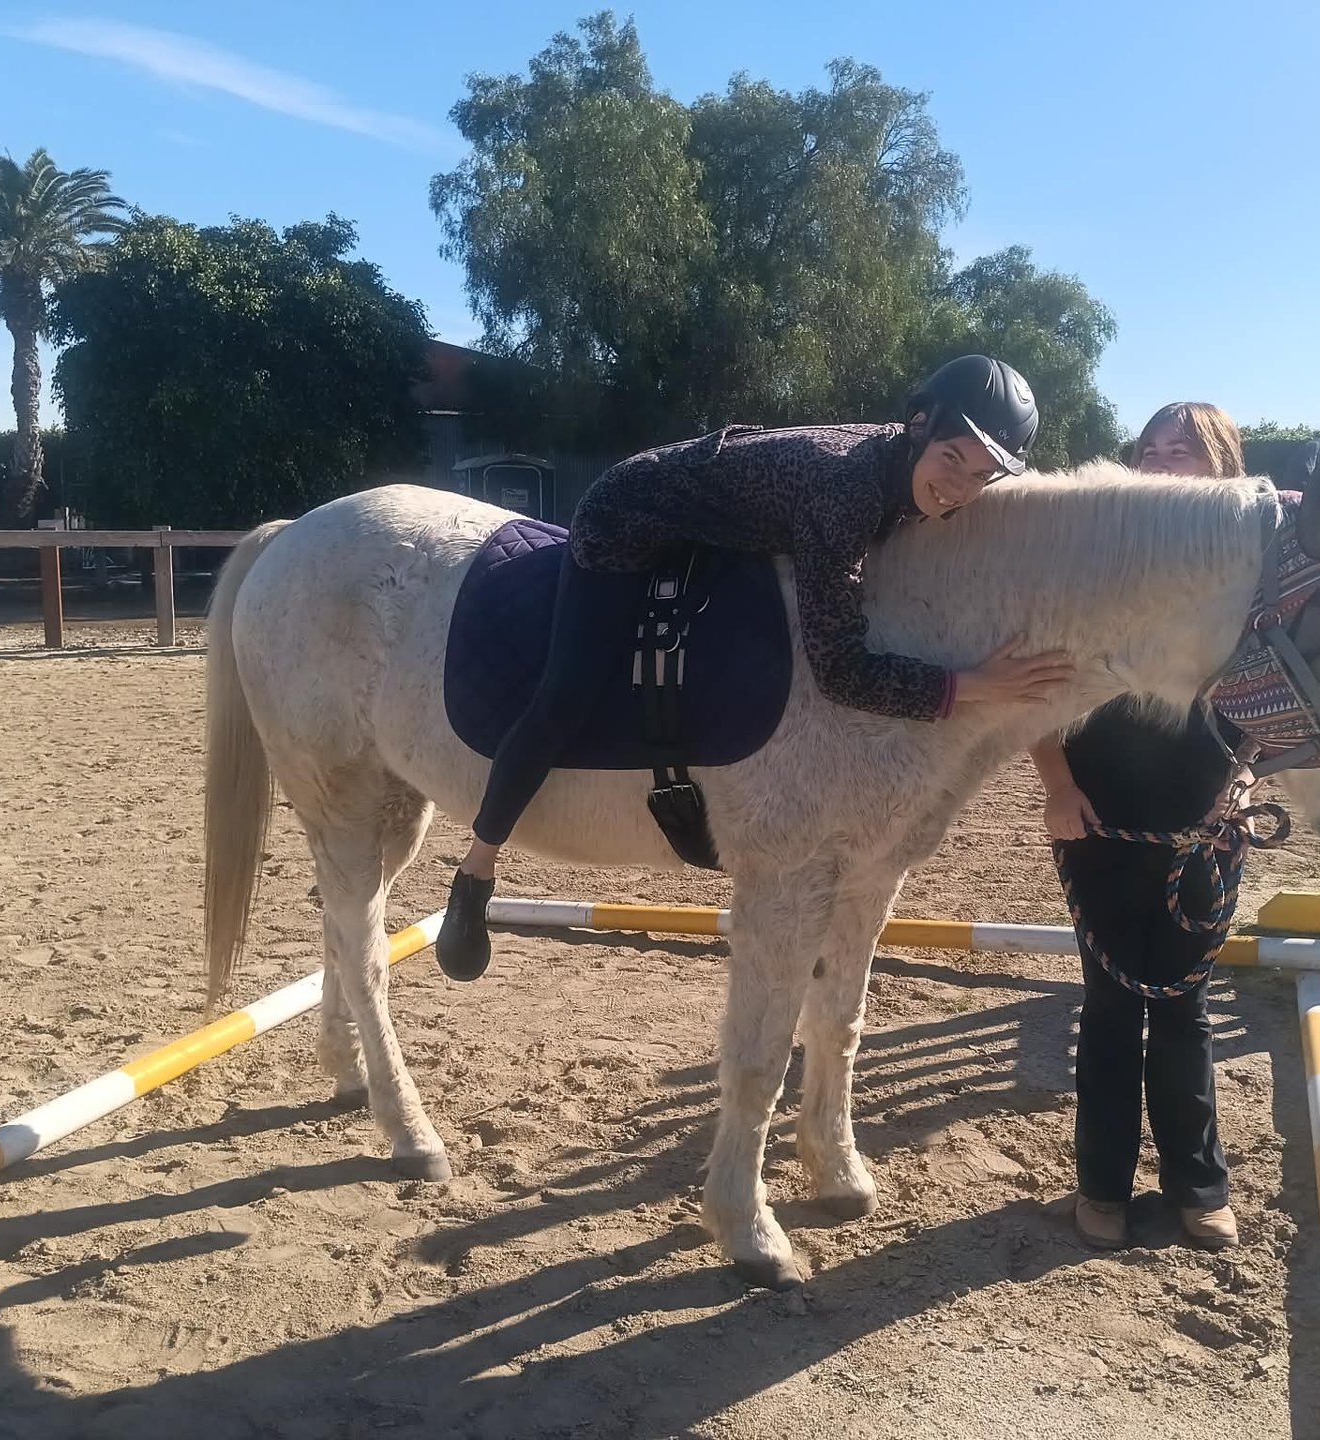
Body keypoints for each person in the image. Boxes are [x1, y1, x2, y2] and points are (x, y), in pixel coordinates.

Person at [437, 355, 1076, 981]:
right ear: (918, 428)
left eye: (980, 476)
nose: (959, 489)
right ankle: (477, 868)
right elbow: (843, 673)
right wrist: (969, 687)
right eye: (952, 460)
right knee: (566, 694)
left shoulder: (899, 472)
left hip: (719, 524)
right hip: (629, 518)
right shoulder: (845, 491)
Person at [1030, 401, 1250, 1252]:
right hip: (1100, 813)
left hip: (1206, 816)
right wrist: (1055, 787)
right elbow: (1040, 681)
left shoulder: (1244, 576)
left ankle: (1199, 1183)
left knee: (1187, 1004)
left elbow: (1274, 692)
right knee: (1112, 1002)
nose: (1162, 462)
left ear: (1220, 465)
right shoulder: (1100, 567)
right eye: (1150, 449)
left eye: (1182, 451)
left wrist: (1245, 780)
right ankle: (1103, 1185)